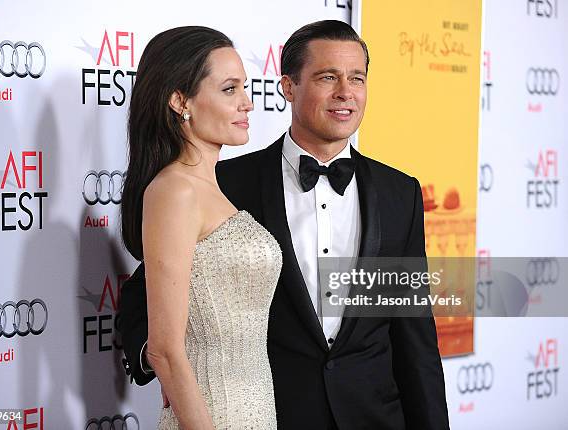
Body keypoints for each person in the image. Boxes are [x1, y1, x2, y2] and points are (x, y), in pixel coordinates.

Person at [119, 20, 450, 430]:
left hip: (375, 416)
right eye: (328, 77)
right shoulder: (226, 184)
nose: (345, 92)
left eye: (357, 78)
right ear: (288, 87)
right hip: (271, 412)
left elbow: (412, 334)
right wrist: (167, 364)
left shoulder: (398, 194)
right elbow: (146, 293)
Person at [120, 26, 281, 429]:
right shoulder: (174, 191)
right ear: (179, 101)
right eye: (229, 90)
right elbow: (164, 349)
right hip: (212, 416)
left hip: (256, 410)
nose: (247, 103)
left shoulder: (213, 188)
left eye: (245, 87)